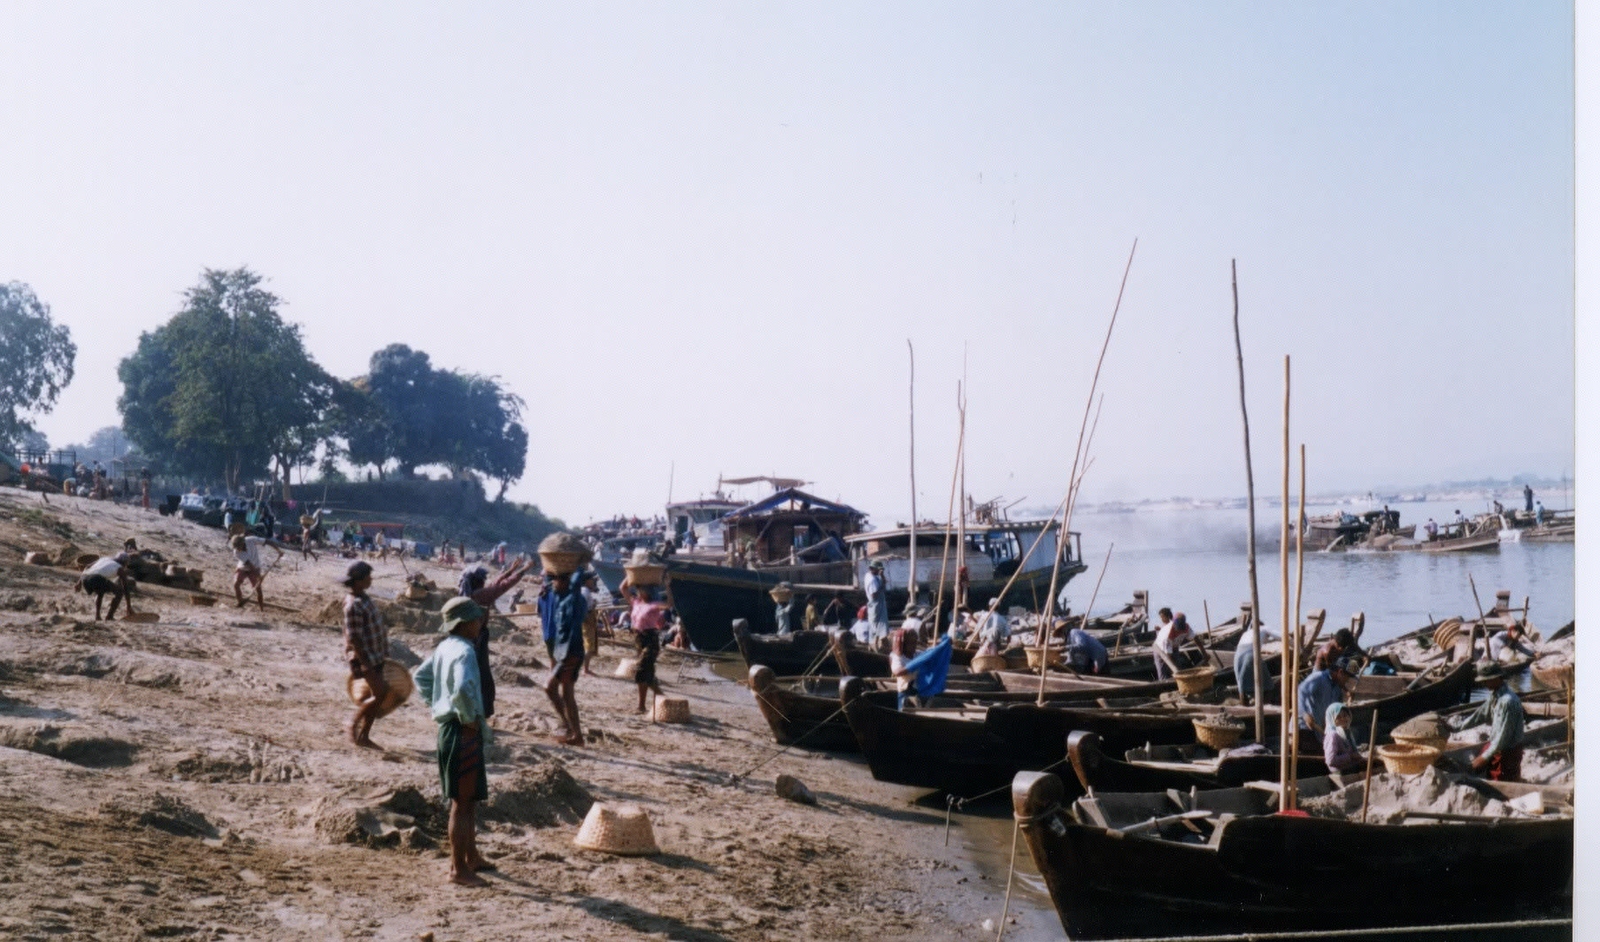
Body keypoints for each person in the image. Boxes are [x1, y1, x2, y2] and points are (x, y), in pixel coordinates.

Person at [412, 596, 494, 886]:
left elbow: (421, 677)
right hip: (462, 732)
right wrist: (467, 717)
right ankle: (458, 869)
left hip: (448, 730)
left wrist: (436, 702)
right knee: (461, 803)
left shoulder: (445, 647)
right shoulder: (465, 652)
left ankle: (471, 856)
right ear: (465, 623)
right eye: (476, 619)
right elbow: (460, 689)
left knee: (468, 800)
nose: (480, 623)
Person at [459, 556, 536, 718]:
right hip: (477, 638)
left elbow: (495, 584)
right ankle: (478, 712)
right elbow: (501, 587)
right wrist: (523, 570)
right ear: (477, 582)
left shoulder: (471, 593)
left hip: (468, 637)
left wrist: (511, 569)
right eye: (482, 580)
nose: (485, 582)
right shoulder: (480, 596)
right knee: (482, 676)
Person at [340, 561, 389, 749]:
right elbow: (354, 637)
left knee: (377, 696)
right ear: (359, 581)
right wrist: (365, 662)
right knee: (380, 693)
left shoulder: (364, 598)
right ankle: (352, 722)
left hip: (375, 654)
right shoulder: (353, 605)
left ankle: (364, 736)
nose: (371, 579)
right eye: (368, 576)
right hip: (366, 657)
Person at [1455, 661, 1526, 781]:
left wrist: (1484, 757)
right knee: (1486, 767)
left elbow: (1503, 737)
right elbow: (1479, 715)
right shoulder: (1495, 696)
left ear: (1497, 678)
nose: (1484, 684)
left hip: (1508, 750)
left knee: (1502, 781)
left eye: (1486, 680)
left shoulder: (1508, 702)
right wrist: (1457, 727)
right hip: (1497, 744)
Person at [540, 570, 588, 746]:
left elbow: (575, 585)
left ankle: (573, 730)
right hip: (565, 652)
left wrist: (577, 568)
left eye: (556, 580)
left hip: (571, 652)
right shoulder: (560, 597)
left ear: (566, 582)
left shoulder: (574, 599)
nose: (553, 583)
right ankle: (574, 732)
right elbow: (549, 590)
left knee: (551, 688)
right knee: (566, 694)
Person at [623, 582, 668, 714]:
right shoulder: (636, 603)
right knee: (648, 675)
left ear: (647, 592)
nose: (637, 591)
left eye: (640, 589)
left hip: (650, 640)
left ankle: (641, 706)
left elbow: (668, 605)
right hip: (638, 640)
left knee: (641, 671)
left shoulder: (654, 605)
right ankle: (664, 700)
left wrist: (669, 588)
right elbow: (623, 588)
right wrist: (630, 576)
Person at [1298, 657, 1356, 738]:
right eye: (1347, 677)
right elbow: (1299, 691)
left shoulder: (1337, 689)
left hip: (1319, 732)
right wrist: (1304, 714)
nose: (1347, 681)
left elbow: (1336, 712)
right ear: (1340, 672)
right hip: (1303, 729)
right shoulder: (1318, 678)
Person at [231, 533, 283, 610]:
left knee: (258, 588)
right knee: (236, 584)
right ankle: (240, 601)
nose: (238, 549)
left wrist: (278, 550)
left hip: (255, 566)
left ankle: (261, 608)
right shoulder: (236, 552)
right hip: (243, 567)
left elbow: (268, 541)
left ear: (243, 543)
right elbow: (249, 565)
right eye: (237, 548)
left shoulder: (251, 540)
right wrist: (259, 576)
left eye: (239, 547)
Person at [79, 554, 138, 621]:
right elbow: (125, 588)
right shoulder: (120, 569)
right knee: (119, 592)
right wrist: (128, 606)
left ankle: (97, 616)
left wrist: (79, 583)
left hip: (85, 579)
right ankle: (109, 616)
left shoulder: (105, 558)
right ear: (124, 563)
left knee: (100, 592)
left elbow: (87, 566)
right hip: (96, 578)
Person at [1322, 702, 1367, 775]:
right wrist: (1350, 756)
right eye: (1338, 717)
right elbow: (1331, 760)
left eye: (1345, 715)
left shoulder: (1346, 731)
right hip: (1341, 772)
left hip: (1349, 768)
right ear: (1332, 719)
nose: (1343, 719)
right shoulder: (1333, 735)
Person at [1152, 610, 1194, 680]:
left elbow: (1195, 638)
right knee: (1164, 671)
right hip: (1160, 648)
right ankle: (1164, 685)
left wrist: (1204, 654)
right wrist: (1175, 670)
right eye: (1178, 629)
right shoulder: (1167, 634)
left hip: (1174, 646)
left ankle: (1177, 681)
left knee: (1177, 666)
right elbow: (1168, 656)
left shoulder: (1186, 627)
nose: (1179, 632)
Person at [889, 627, 921, 710]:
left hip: (918, 690)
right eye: (911, 643)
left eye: (915, 643)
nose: (914, 646)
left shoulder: (917, 654)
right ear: (904, 644)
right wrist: (913, 665)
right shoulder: (897, 657)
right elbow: (897, 672)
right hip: (905, 692)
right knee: (904, 710)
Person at [864, 560, 889, 642]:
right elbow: (873, 594)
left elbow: (884, 582)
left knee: (880, 625)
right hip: (875, 605)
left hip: (878, 604)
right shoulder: (872, 580)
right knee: (877, 625)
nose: (879, 571)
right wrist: (881, 588)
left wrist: (882, 576)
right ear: (872, 569)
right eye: (878, 570)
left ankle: (878, 640)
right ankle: (877, 642)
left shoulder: (872, 576)